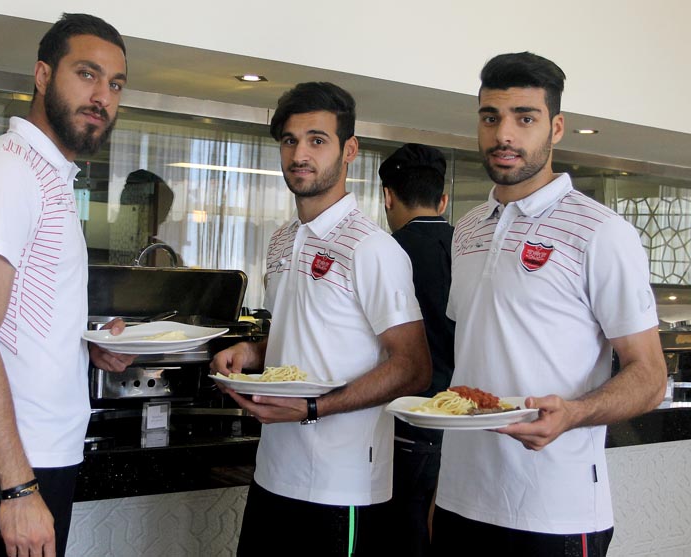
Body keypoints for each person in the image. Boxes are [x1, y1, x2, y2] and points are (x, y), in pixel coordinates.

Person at [432, 51, 666, 556]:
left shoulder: (603, 232)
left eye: (525, 118)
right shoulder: (466, 230)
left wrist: (574, 413)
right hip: (459, 499)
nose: (503, 135)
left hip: (555, 511)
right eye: (490, 118)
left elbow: (650, 376)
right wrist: (440, 492)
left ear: (556, 128)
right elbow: (473, 357)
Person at [0, 13, 135, 557]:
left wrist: (87, 343)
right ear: (43, 75)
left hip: (34, 458)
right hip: (2, 469)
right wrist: (18, 487)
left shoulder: (51, 177)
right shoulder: (5, 171)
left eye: (115, 84)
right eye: (86, 74)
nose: (102, 97)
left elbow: (22, 318)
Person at [210, 82, 431, 556]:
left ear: (349, 150)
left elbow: (413, 366)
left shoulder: (373, 248)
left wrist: (313, 408)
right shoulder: (282, 239)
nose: (299, 154)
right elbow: (304, 334)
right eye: (290, 141)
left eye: (317, 140)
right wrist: (252, 351)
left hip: (341, 486)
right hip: (273, 472)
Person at [378, 143, 455, 555]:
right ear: (443, 200)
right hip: (466, 428)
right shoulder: (471, 249)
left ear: (387, 196)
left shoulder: (386, 253)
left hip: (406, 427)